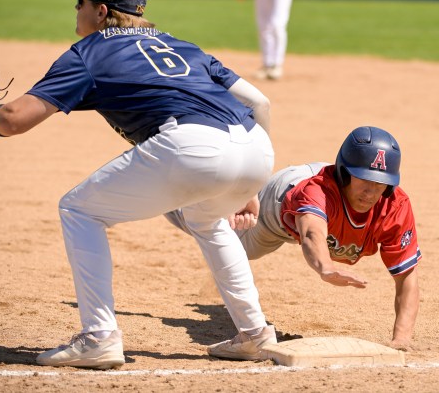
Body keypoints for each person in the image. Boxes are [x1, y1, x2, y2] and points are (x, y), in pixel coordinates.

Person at [0, 0, 278, 369]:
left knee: (79, 209)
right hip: (256, 146)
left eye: (80, 1)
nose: (76, 10)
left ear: (101, 11)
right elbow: (260, 103)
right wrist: (248, 189)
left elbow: (13, 120)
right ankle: (255, 333)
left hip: (193, 147)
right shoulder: (182, 45)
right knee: (207, 220)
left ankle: (99, 338)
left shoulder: (90, 52)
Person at [166, 126, 421, 351]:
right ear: (345, 173)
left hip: (321, 188)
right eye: (363, 180)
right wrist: (325, 267)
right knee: (222, 237)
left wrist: (401, 338)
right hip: (277, 209)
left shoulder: (395, 206)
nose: (371, 191)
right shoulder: (316, 192)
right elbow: (312, 232)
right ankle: (167, 191)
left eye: (380, 183)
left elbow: (407, 276)